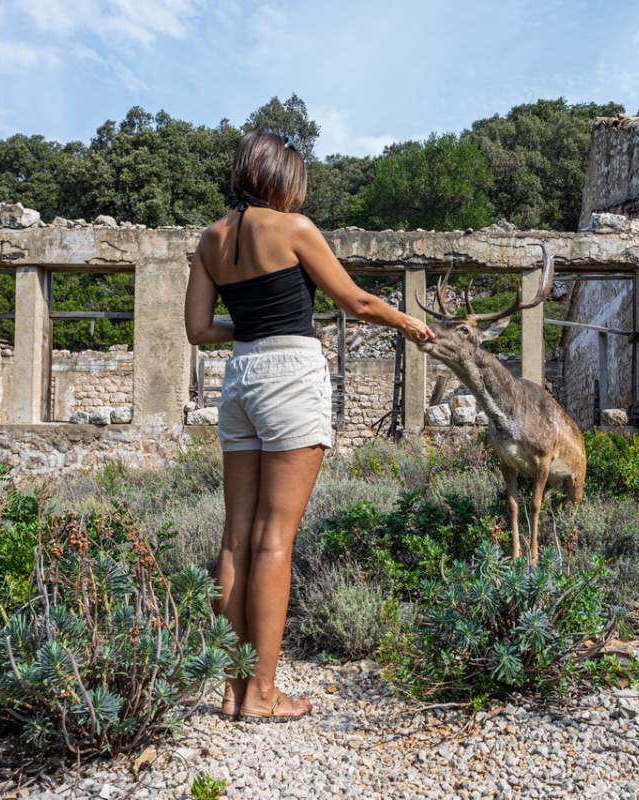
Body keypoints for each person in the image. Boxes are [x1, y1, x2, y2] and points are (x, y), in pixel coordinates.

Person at [184, 130, 434, 721]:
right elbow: (357, 303)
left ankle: (231, 690)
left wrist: (249, 333)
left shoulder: (210, 240)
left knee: (236, 538)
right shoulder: (294, 229)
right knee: (276, 540)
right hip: (290, 376)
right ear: (279, 179)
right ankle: (264, 696)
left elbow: (198, 330)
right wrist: (410, 324)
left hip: (240, 377)